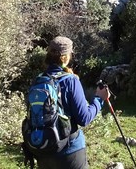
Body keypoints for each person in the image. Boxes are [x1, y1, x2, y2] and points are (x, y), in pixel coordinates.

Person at [31, 36, 110, 169]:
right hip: (69, 151)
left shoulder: (38, 80)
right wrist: (99, 99)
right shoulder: (70, 80)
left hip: (43, 151)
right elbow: (84, 118)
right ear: (66, 57)